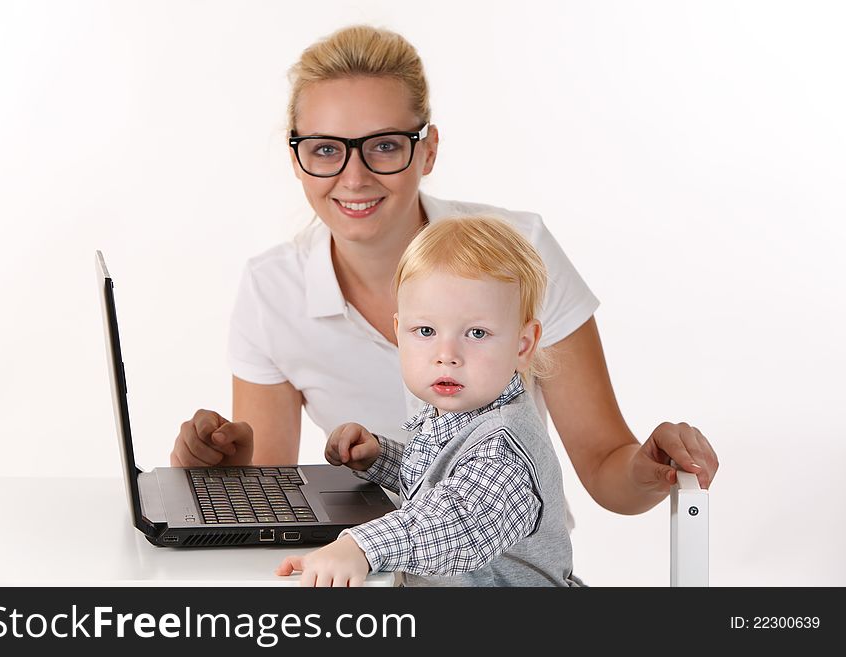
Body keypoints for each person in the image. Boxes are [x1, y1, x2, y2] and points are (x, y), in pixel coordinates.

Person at [169, 25, 718, 524]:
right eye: (325, 150)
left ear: (427, 149)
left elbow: (605, 468)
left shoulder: (523, 253)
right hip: (371, 583)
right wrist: (225, 474)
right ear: (297, 159)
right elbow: (273, 504)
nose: (353, 177)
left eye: (384, 146)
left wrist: (653, 466)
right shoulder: (272, 290)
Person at [276, 216, 581, 586]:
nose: (447, 354)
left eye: (477, 333)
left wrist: (361, 546)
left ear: (522, 344)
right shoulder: (459, 413)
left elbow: (462, 519)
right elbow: (447, 477)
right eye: (425, 331)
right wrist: (380, 458)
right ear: (399, 333)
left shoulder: (503, 447)